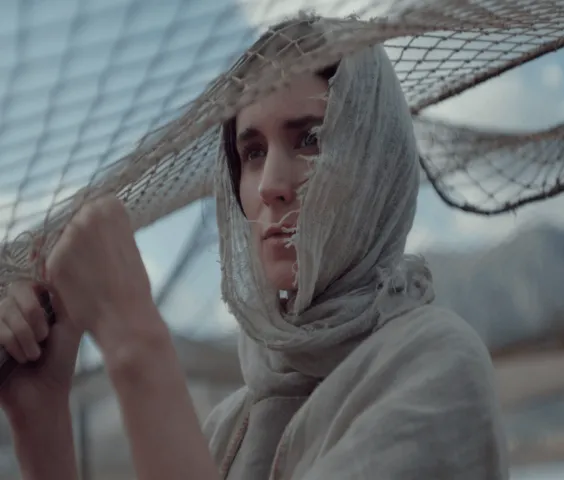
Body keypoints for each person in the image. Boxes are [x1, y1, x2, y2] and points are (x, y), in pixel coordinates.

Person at [0, 14, 508, 480]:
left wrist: (134, 339)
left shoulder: (435, 364)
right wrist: (41, 420)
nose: (270, 185)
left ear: (375, 161)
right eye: (253, 152)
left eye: (310, 138)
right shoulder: (230, 427)